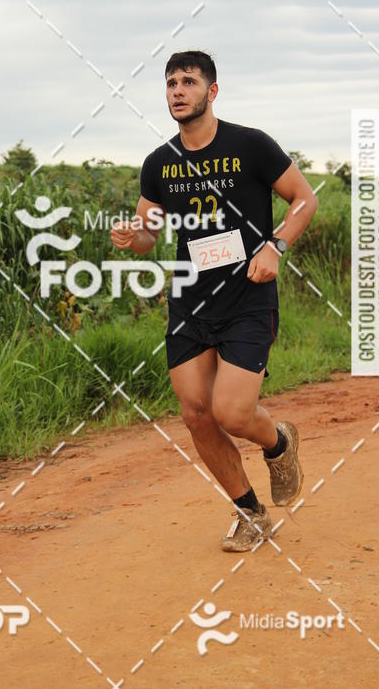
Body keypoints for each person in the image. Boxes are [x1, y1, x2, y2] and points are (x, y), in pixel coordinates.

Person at [110, 50, 318, 552]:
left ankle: (279, 442)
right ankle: (251, 513)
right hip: (190, 301)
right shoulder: (159, 163)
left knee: (231, 414)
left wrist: (276, 246)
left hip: (248, 298)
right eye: (170, 83)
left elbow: (304, 199)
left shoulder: (250, 145)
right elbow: (148, 237)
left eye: (188, 81)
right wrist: (131, 235)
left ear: (212, 91)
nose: (177, 90)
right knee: (196, 414)